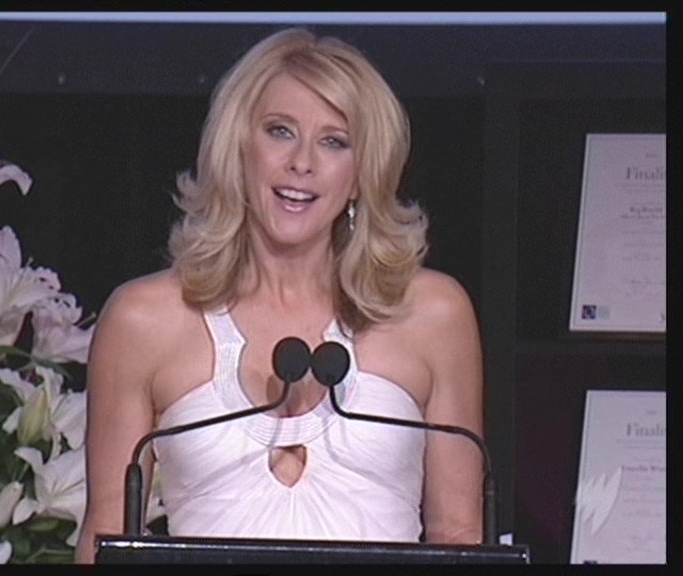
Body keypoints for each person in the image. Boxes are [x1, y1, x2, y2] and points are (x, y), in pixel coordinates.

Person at [75, 26, 484, 563]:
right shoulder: (143, 321)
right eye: (280, 131)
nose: (302, 163)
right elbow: (105, 540)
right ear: (238, 148)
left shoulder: (433, 315)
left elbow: (460, 538)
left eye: (334, 141)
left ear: (362, 173)